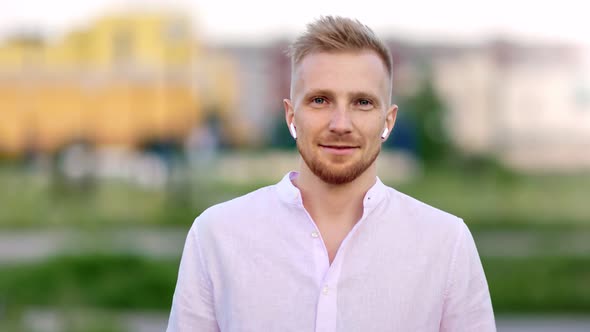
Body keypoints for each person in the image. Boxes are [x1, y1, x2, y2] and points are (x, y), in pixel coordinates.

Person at [166, 16, 495, 332]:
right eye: (320, 100)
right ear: (291, 115)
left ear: (388, 120)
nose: (340, 124)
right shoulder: (216, 236)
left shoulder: (446, 244)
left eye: (362, 102)